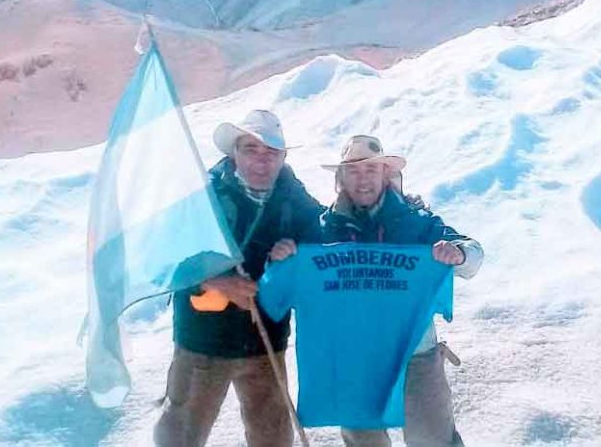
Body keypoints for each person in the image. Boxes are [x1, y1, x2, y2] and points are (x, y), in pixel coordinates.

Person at [270, 134, 483, 447]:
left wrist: (458, 253)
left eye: (371, 170)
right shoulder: (321, 229)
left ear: (385, 174)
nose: (363, 179)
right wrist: (284, 261)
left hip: (415, 351)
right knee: (363, 440)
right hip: (354, 355)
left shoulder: (417, 222)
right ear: (340, 178)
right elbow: (288, 283)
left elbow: (474, 254)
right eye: (353, 171)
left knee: (434, 439)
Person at [154, 110, 323, 447]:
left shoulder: (293, 197)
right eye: (251, 150)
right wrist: (215, 281)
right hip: (203, 342)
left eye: (271, 153)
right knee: (182, 434)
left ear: (283, 157)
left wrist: (296, 253)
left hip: (266, 340)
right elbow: (165, 253)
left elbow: (321, 242)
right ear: (233, 153)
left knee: (272, 435)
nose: (262, 162)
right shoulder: (204, 196)